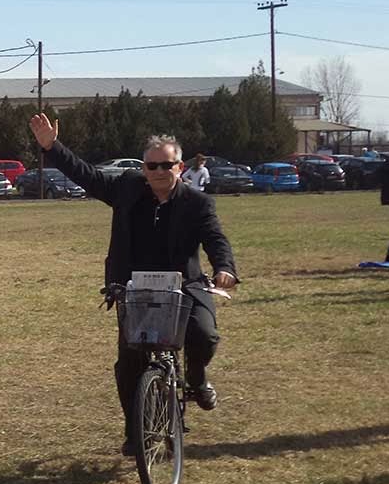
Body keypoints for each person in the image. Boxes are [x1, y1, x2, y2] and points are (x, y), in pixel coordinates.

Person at [28, 114, 239, 457]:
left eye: (165, 165)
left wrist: (225, 268)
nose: (157, 171)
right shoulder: (126, 189)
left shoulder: (197, 204)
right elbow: (87, 175)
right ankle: (135, 432)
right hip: (133, 288)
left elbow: (216, 240)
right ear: (143, 167)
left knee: (204, 335)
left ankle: (197, 381)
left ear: (180, 166)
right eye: (151, 165)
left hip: (184, 287)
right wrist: (51, 147)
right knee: (129, 362)